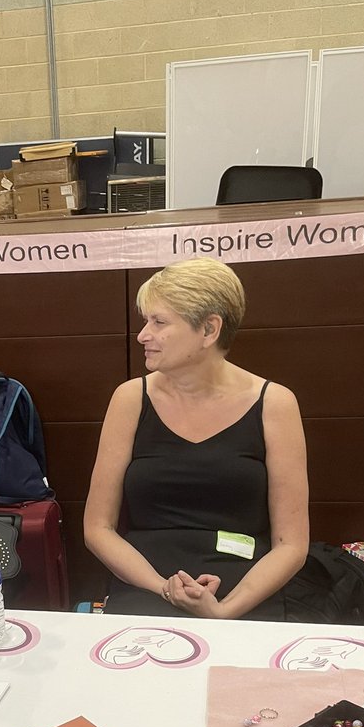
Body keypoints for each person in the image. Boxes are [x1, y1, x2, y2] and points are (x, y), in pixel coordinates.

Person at [84, 257, 309, 620]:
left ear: (208, 330)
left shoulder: (275, 403)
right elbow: (98, 528)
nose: (143, 335)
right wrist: (163, 587)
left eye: (158, 322)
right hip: (147, 584)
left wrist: (224, 610)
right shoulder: (129, 398)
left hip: (245, 589)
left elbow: (291, 545)